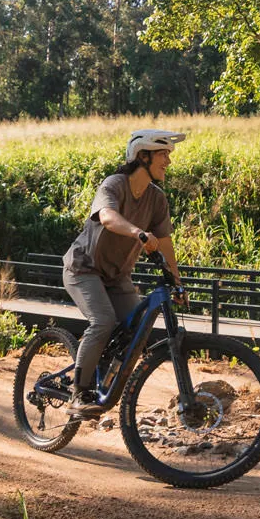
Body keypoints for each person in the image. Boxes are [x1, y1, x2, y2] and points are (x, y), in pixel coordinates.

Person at [62, 128, 187, 415]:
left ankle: (104, 379)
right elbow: (107, 217)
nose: (168, 161)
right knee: (103, 321)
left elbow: (165, 244)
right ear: (142, 156)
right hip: (83, 269)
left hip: (117, 276)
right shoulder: (114, 184)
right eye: (163, 154)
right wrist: (137, 232)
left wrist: (177, 283)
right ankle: (79, 393)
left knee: (137, 329)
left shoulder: (157, 199)